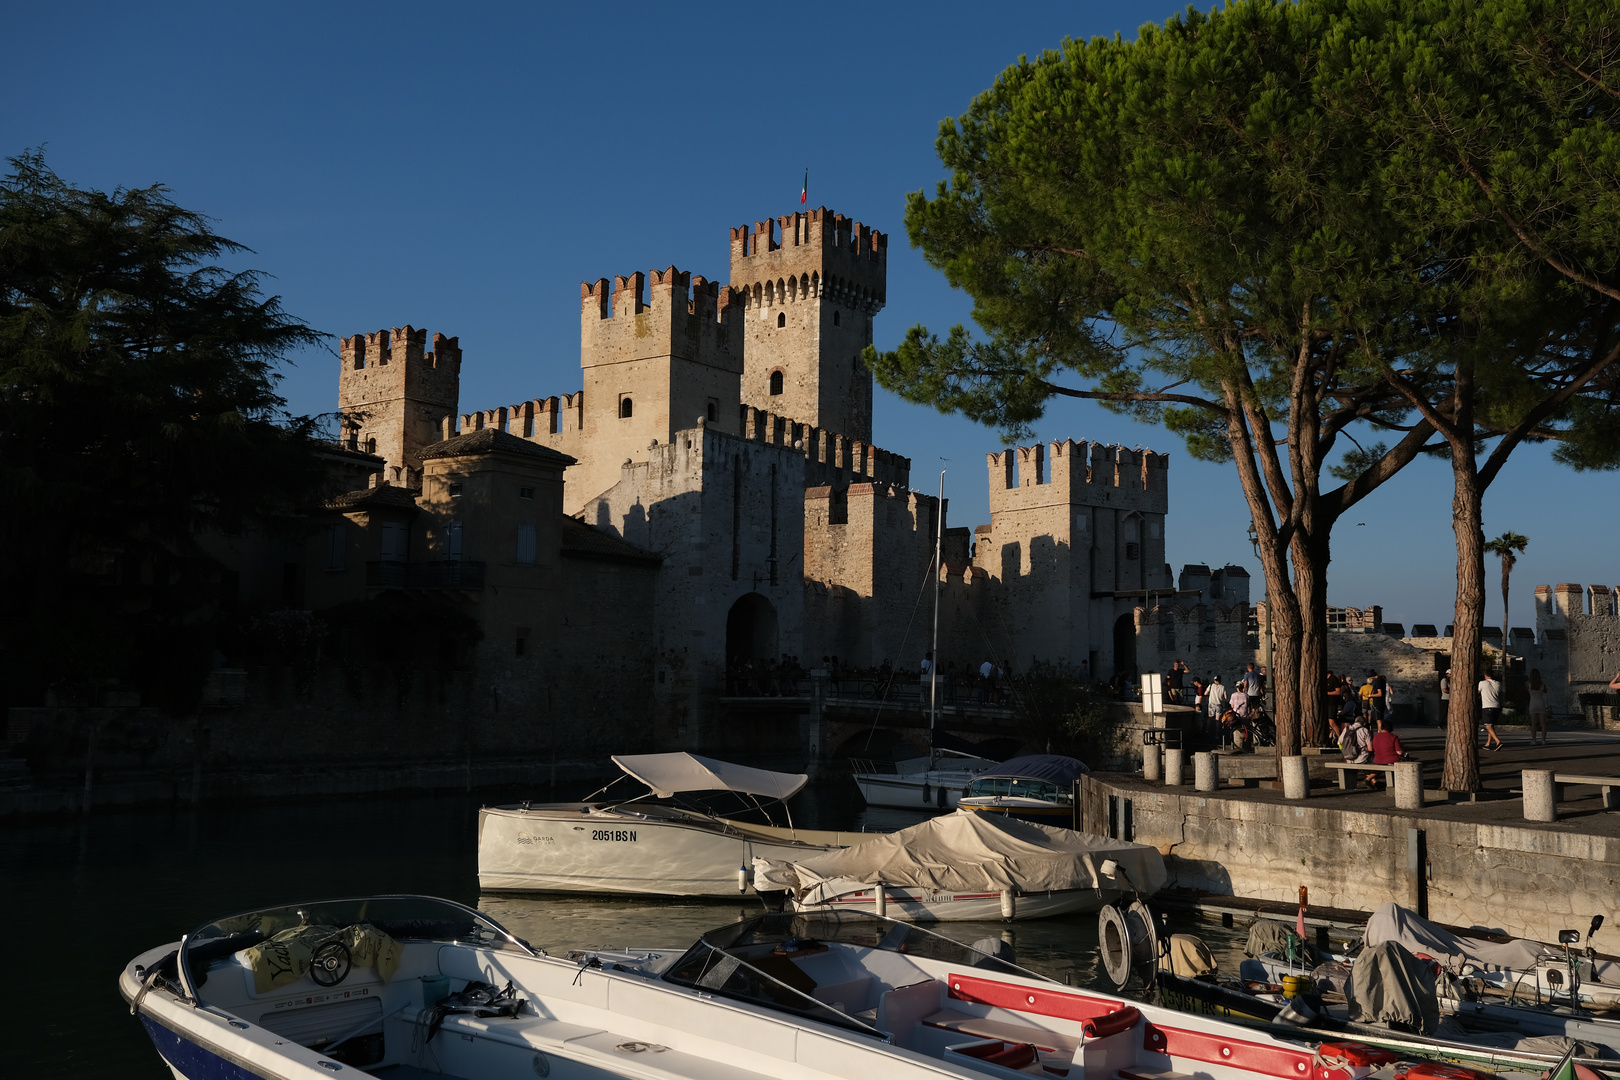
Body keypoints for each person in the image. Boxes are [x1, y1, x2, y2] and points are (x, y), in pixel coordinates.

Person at [1369, 716, 1407, 789]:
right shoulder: (1393, 737)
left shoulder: (1376, 736)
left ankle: (1369, 779)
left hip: (1378, 759)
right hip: (1391, 759)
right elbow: (1399, 752)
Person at [1479, 669, 1504, 750]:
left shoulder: (1482, 683)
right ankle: (1488, 744)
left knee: (1487, 725)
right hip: (1496, 706)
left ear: (1485, 675)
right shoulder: (1498, 683)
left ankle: (1498, 741)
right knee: (1491, 725)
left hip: (1487, 706)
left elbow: (1478, 692)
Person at [1527, 669, 1548, 745]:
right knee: (1543, 724)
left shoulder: (1528, 684)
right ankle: (1543, 740)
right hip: (1541, 703)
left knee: (1534, 723)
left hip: (1532, 704)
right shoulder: (1542, 685)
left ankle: (1534, 740)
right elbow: (1545, 694)